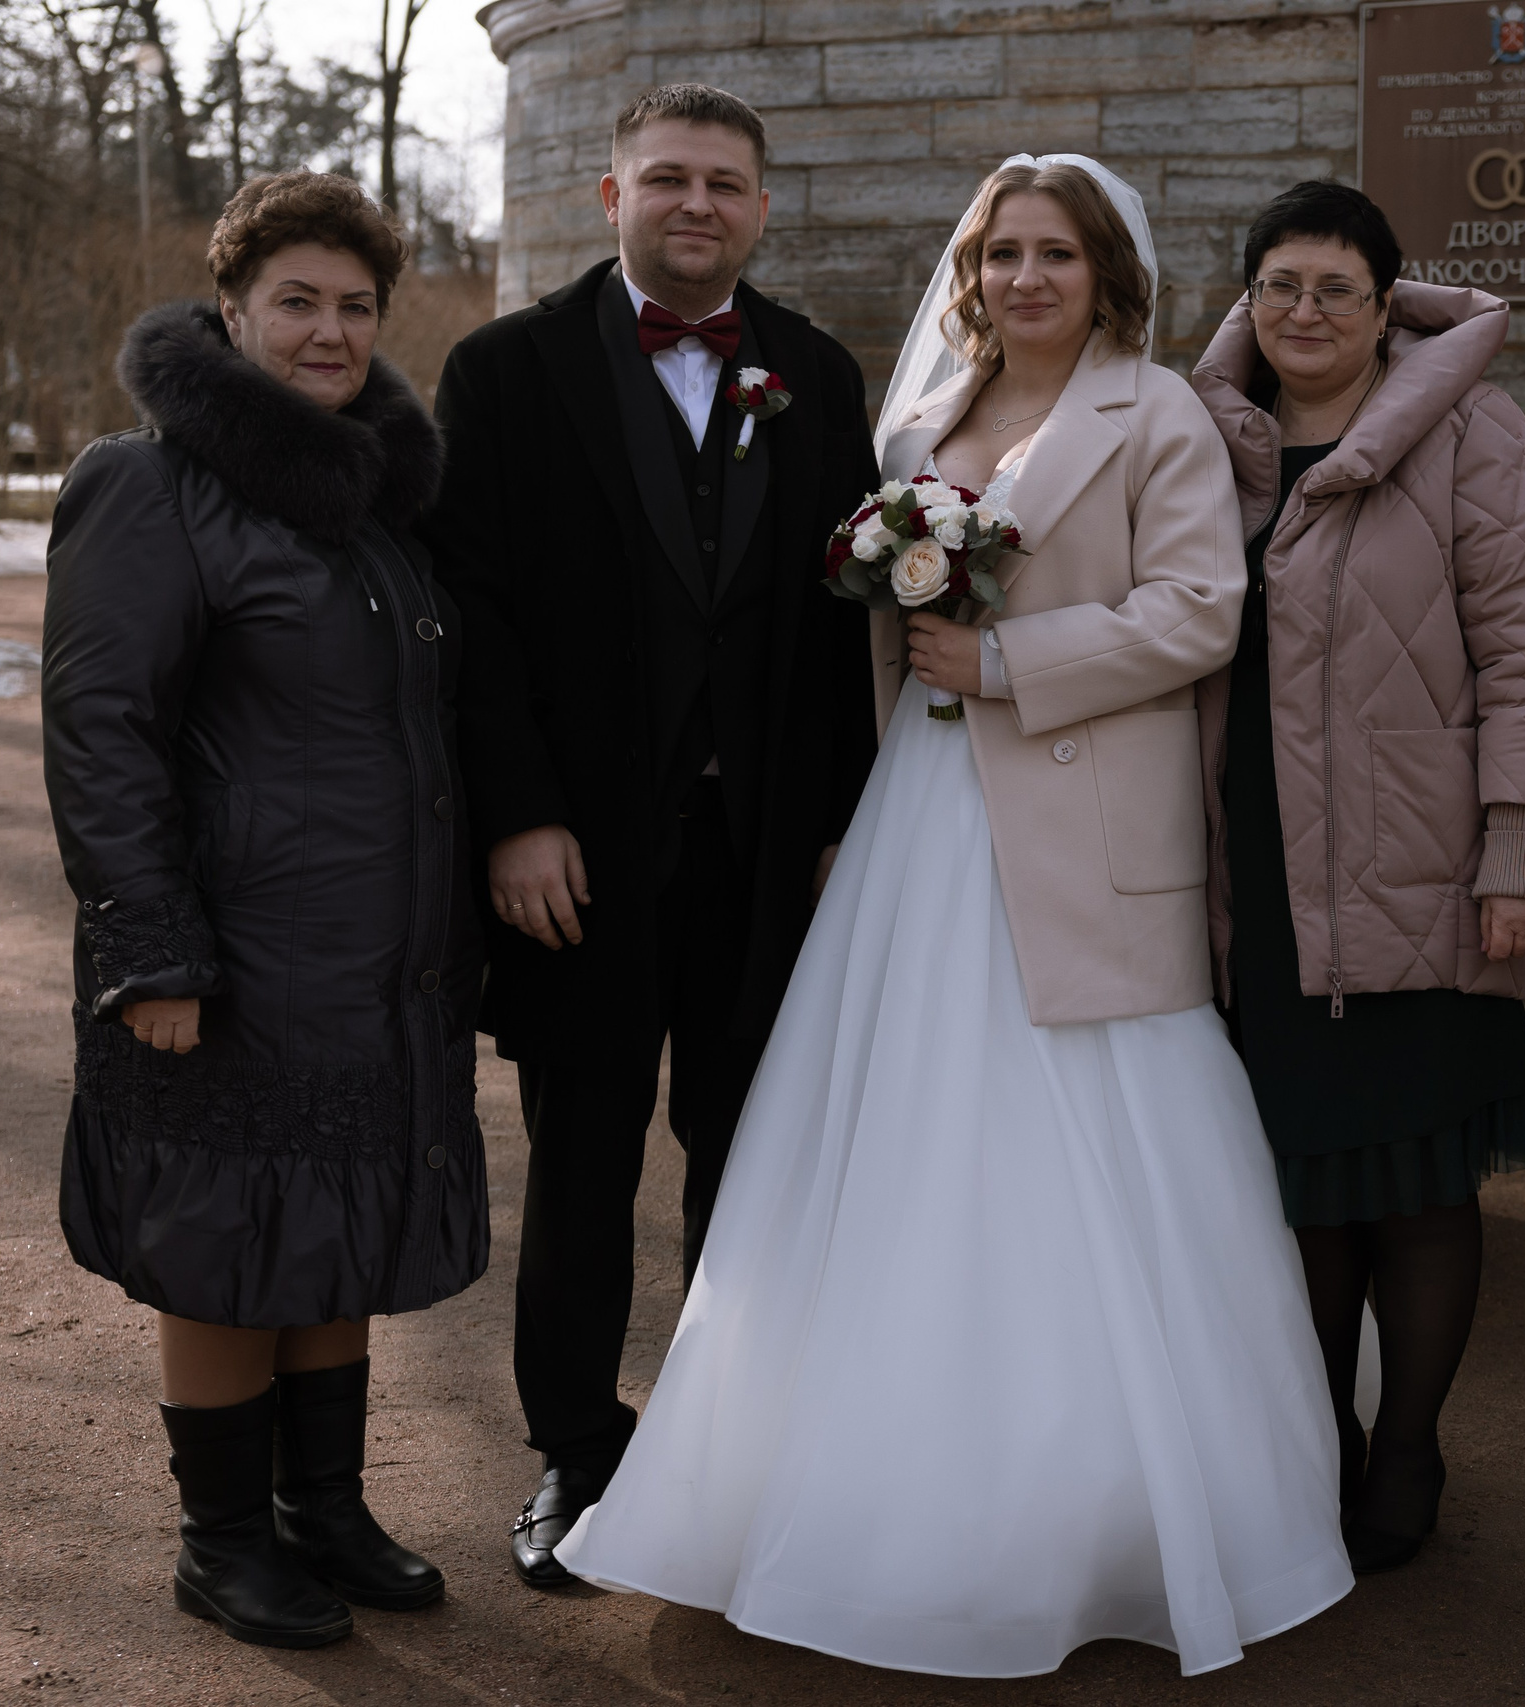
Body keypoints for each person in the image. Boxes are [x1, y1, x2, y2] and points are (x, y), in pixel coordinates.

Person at [550, 154, 1353, 1677]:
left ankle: (1111, 1508)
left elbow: (1201, 613)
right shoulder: (912, 425)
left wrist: (1012, 663)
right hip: (921, 820)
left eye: (1056, 256)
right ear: (971, 275)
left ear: (1106, 273)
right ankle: (865, 1480)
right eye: (1003, 256)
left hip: (1081, 836)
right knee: (898, 1132)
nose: (1025, 280)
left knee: (1094, 1152)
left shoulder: (1156, 412)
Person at [418, 85, 879, 1588]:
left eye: (726, 184)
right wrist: (521, 816)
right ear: (608, 196)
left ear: (760, 206)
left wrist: (837, 825)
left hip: (765, 856)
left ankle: (730, 1445)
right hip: (581, 852)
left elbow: (842, 620)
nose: (698, 204)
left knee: (751, 1157)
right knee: (582, 1156)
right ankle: (574, 1447)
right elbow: (470, 609)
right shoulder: (502, 370)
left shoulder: (813, 370)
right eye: (668, 179)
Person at [42, 171, 482, 1649]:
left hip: (373, 955)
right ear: (229, 309)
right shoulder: (147, 482)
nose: (329, 331)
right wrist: (149, 948)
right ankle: (220, 1539)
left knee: (331, 1217)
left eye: (356, 306)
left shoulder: (369, 505)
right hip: (226, 954)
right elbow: (101, 730)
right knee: (227, 1235)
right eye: (297, 299)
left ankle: (323, 1507)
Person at [1190, 182, 1525, 1572]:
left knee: (1418, 1192)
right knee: (1298, 1191)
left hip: (1422, 866)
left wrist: (1524, 850)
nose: (1306, 313)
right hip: (1256, 874)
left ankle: (1408, 1442)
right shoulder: (1205, 441)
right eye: (1280, 287)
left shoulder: (1471, 432)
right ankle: (1326, 1442)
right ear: (1248, 303)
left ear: (1385, 303)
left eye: (1336, 289)